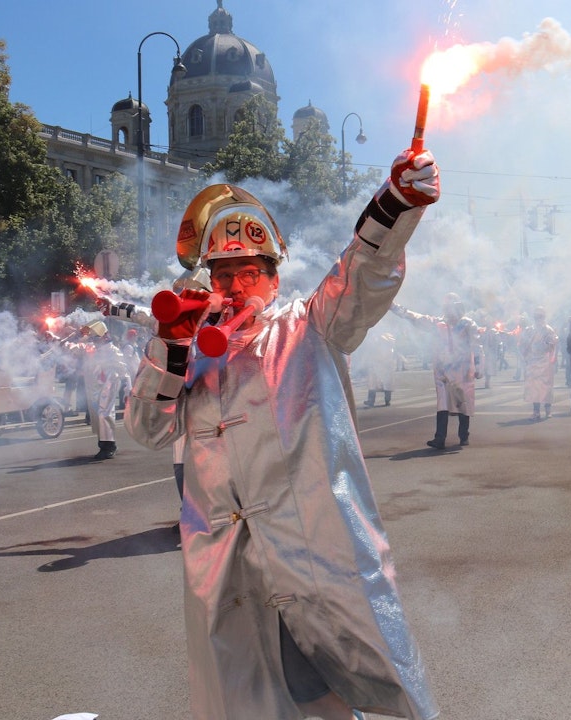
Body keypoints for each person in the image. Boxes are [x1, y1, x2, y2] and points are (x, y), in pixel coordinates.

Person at [125, 147, 441, 720]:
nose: (238, 285)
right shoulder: (189, 349)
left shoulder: (310, 325)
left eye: (251, 272)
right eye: (224, 275)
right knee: (241, 700)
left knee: (331, 694)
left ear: (274, 279)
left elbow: (363, 273)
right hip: (227, 569)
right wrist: (168, 346)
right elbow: (146, 428)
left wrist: (395, 205)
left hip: (312, 556)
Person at [393, 292, 482, 448]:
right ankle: (440, 438)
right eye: (448, 307)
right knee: (442, 403)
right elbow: (414, 317)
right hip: (442, 370)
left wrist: (479, 365)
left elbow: (476, 345)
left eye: (453, 307)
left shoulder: (468, 324)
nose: (450, 311)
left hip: (462, 369)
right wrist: (392, 306)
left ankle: (464, 435)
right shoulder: (438, 323)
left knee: (463, 402)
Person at [78, 320, 128, 460]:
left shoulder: (112, 350)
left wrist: (126, 386)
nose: (94, 340)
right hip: (96, 386)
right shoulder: (93, 349)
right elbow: (76, 348)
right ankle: (103, 444)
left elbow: (122, 368)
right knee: (98, 413)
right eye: (93, 337)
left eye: (96, 337)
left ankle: (109, 446)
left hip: (110, 383)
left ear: (105, 336)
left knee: (104, 413)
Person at [520, 306, 558, 420]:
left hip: (545, 361)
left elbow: (553, 344)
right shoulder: (529, 329)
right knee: (534, 387)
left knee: (546, 386)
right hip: (533, 361)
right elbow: (523, 343)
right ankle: (536, 411)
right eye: (537, 316)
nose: (539, 319)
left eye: (540, 316)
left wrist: (551, 356)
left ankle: (547, 410)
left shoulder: (548, 330)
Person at [360, 332, 397, 408]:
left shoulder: (386, 349)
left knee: (382, 384)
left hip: (381, 367)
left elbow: (381, 358)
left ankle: (377, 401)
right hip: (381, 368)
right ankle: (379, 401)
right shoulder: (388, 348)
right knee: (375, 384)